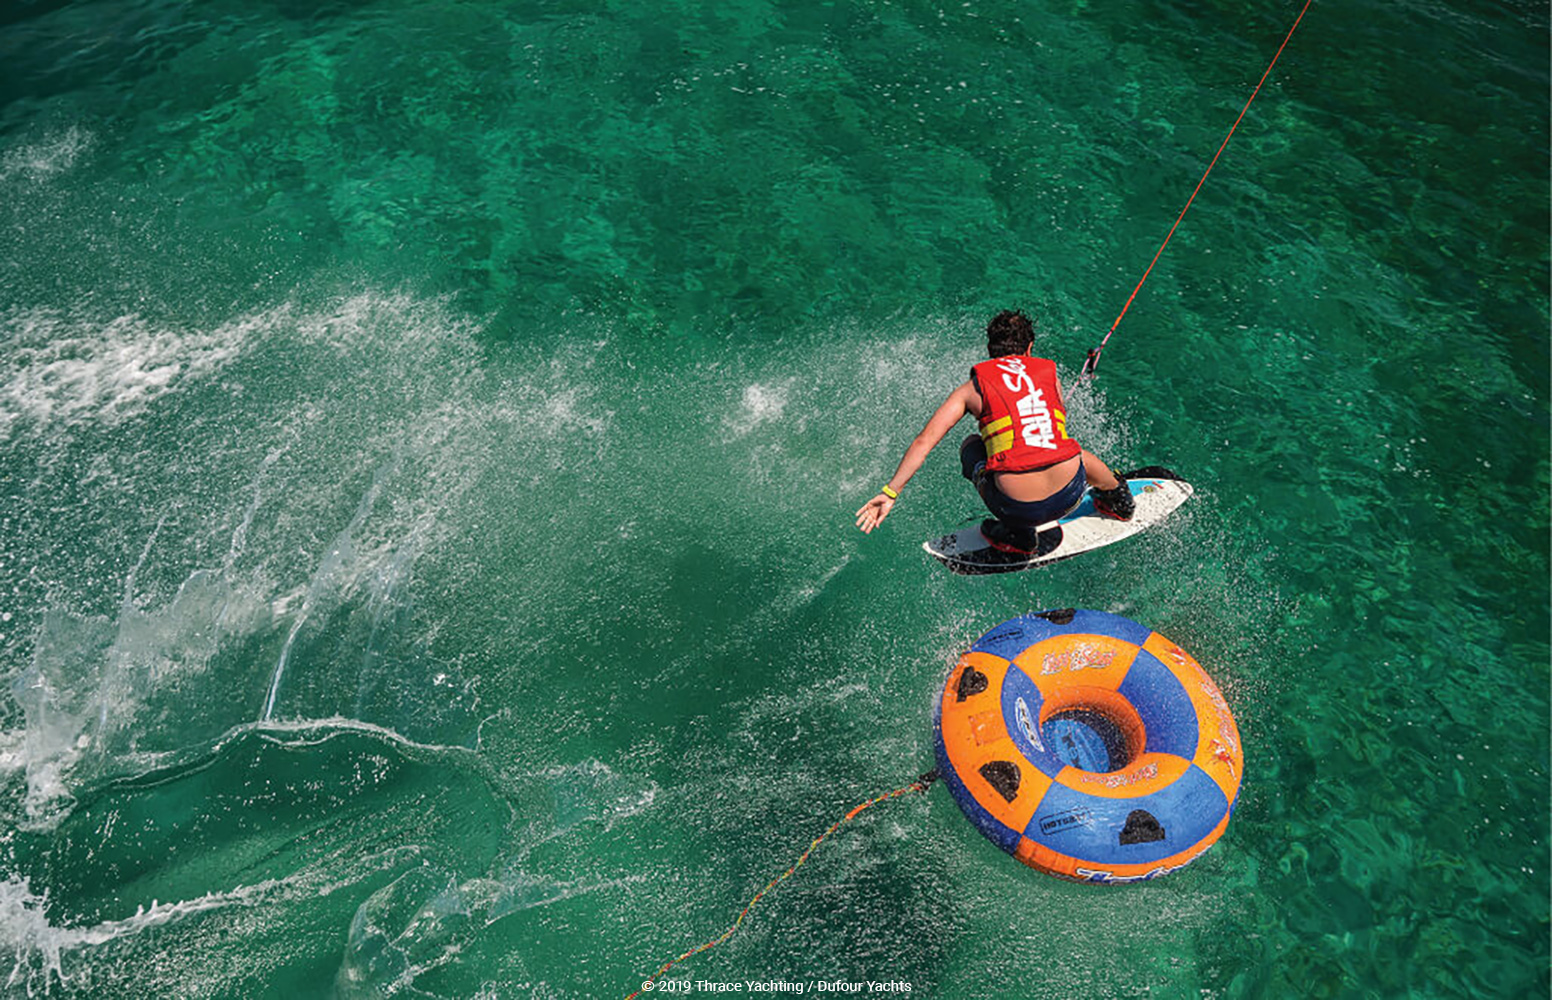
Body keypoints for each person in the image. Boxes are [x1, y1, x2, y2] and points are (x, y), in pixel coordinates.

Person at [854, 310, 1133, 552]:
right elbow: (1055, 423)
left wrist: (891, 492)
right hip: (1070, 492)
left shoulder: (971, 389)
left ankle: (1019, 536)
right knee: (1068, 449)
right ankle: (1118, 497)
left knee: (972, 446)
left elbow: (924, 441)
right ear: (1030, 347)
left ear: (990, 350)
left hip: (1019, 507)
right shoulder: (1049, 373)